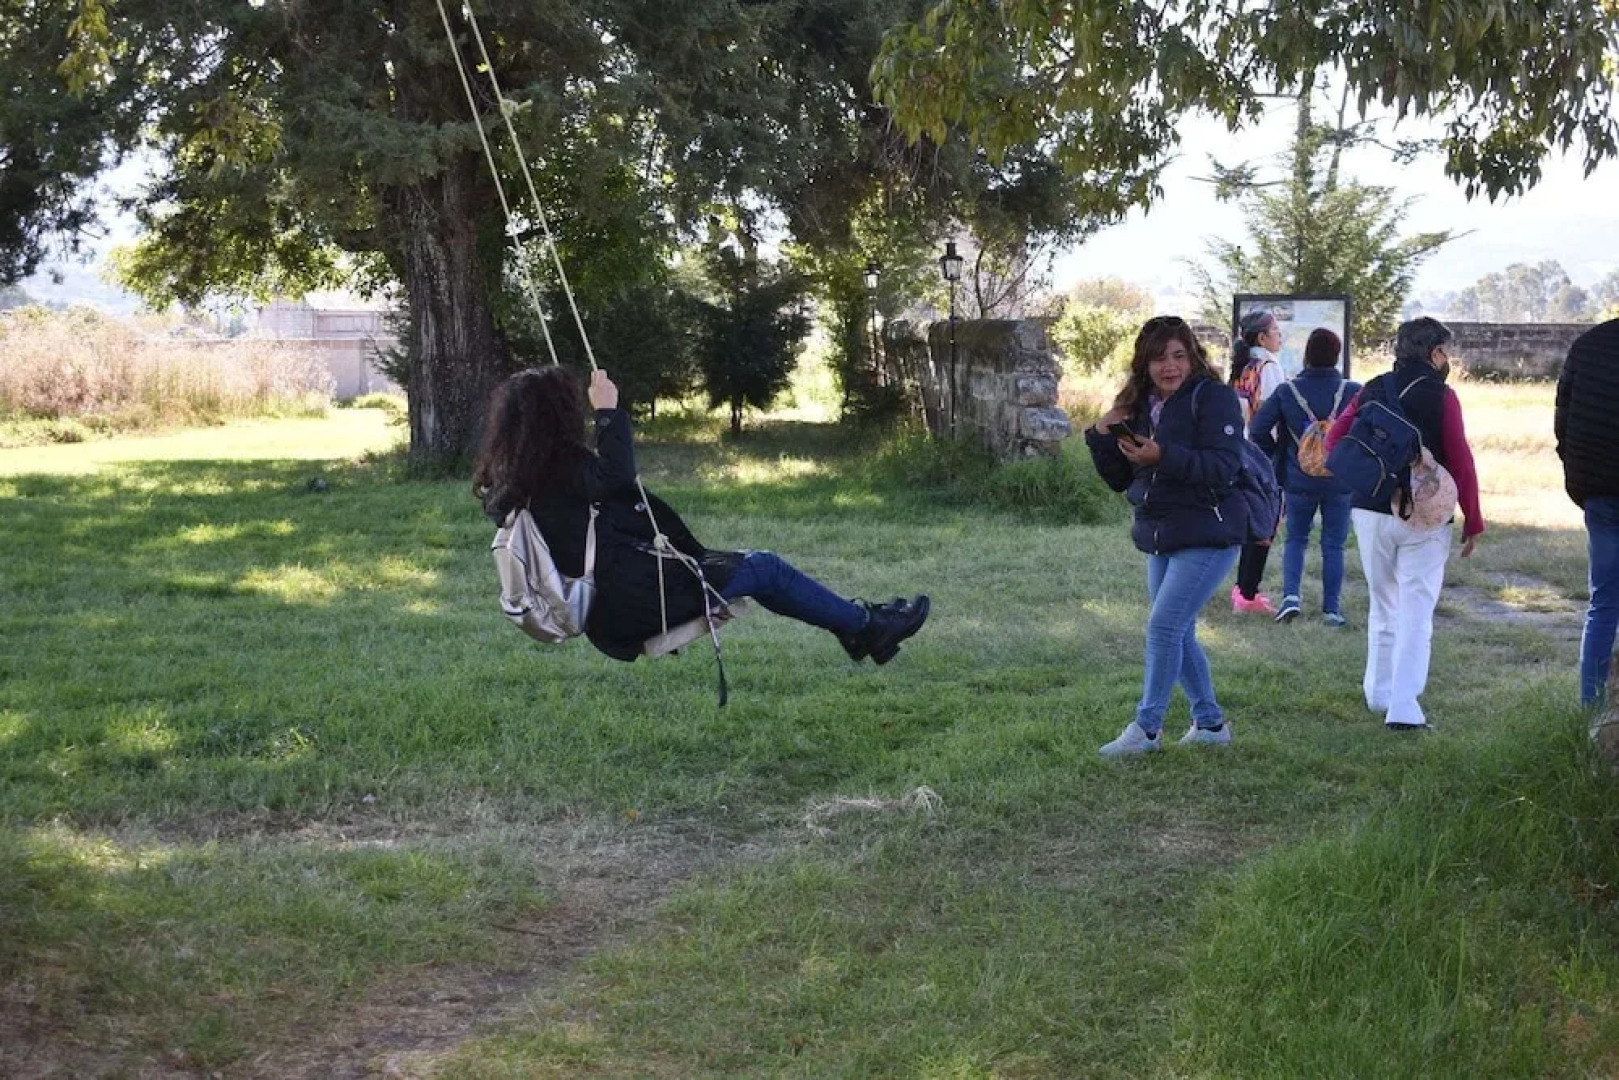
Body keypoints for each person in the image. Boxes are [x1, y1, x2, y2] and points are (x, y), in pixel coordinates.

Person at [472, 366, 929, 665]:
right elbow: (616, 475)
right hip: (636, 599)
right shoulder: (560, 467)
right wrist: (608, 411)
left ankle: (859, 627)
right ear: (557, 417)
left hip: (617, 602)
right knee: (763, 567)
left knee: (756, 568)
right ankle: (868, 628)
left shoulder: (517, 478)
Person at [1086, 316, 1249, 759]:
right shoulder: (1141, 405)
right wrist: (1102, 436)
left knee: (1163, 627)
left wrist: (1164, 455)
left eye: (1179, 355)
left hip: (1209, 530)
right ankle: (1211, 724)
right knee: (1177, 632)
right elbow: (1121, 480)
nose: (1169, 366)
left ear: (1193, 356)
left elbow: (1223, 467)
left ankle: (1147, 729)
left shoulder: (1214, 399)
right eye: (1158, 358)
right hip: (1161, 531)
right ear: (1144, 363)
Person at [1324, 317, 1484, 731]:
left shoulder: (1371, 388)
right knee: (1417, 608)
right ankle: (1404, 707)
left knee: (1384, 604)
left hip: (1370, 509)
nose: (1447, 359)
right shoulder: (1443, 396)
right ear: (1433, 353)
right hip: (1426, 514)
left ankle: (1377, 693)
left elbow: (1334, 440)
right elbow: (1460, 459)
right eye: (1445, 351)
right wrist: (1473, 518)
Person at [1248, 328, 1361, 626]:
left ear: (1307, 355)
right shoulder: (1353, 391)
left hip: (1298, 479)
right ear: (1337, 355)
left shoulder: (1287, 391)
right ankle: (1332, 610)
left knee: (1296, 539)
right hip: (1340, 480)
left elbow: (1258, 429)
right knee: (1333, 544)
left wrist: (1280, 456)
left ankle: (1290, 598)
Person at [1554, 318, 1619, 706]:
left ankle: (1593, 712)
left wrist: (1577, 472)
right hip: (1596, 487)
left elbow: (1563, 420)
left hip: (1598, 491)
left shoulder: (1588, 344)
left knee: (1604, 603)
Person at [1228, 309, 1286, 615]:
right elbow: (1275, 414)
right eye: (1276, 331)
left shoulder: (1242, 366)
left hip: (1240, 451)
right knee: (1265, 522)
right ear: (1262, 337)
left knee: (1251, 519)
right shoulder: (1268, 367)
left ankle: (1242, 588)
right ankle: (1247, 593)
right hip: (1264, 454)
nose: (1280, 336)